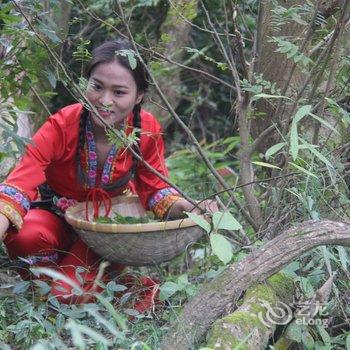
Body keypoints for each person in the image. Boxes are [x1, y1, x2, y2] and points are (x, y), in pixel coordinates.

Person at [0, 38, 217, 308]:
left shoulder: (146, 130)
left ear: (138, 96)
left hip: (106, 234)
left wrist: (190, 206)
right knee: (24, 236)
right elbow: (19, 185)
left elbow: (156, 190)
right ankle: (65, 284)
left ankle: (113, 287)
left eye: (119, 92)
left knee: (64, 296)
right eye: (97, 87)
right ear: (86, 83)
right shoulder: (61, 125)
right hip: (53, 218)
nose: (104, 101)